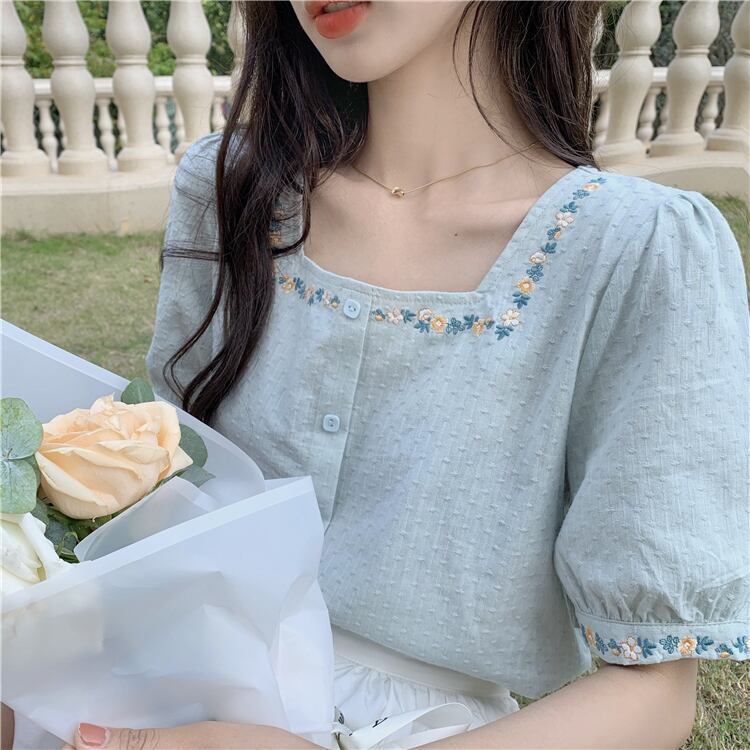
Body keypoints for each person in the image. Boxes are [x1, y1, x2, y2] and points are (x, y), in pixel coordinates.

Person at [30, 1, 747, 749]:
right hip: (144, 685)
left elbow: (655, 691)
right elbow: (154, 514)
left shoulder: (638, 250)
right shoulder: (229, 189)